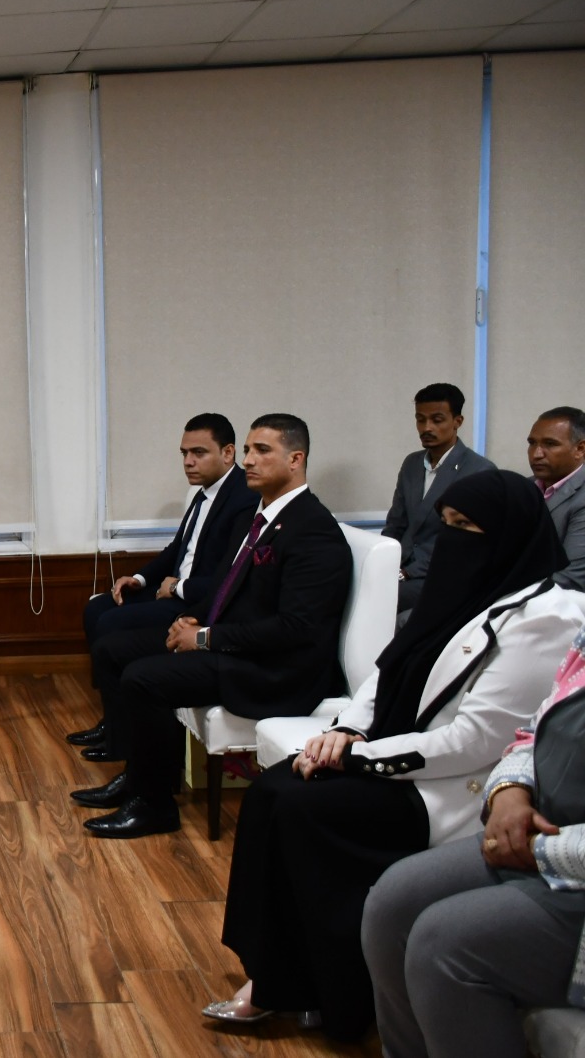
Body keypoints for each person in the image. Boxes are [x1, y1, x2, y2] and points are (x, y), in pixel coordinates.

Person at [206, 470, 585, 1042]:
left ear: (508, 535)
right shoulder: (460, 587)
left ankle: (330, 991)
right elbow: (390, 669)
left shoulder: (545, 618)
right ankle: (277, 974)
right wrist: (348, 731)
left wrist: (361, 759)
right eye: (446, 524)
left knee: (308, 812)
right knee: (272, 792)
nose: (452, 539)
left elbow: (477, 739)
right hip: (398, 751)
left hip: (451, 784)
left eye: (466, 527)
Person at [74, 414, 353, 838]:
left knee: (144, 678)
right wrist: (193, 617)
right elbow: (226, 584)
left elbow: (296, 629)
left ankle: (154, 805)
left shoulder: (313, 529)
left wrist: (204, 638)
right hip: (240, 646)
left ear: (296, 459)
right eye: (248, 450)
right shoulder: (259, 517)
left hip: (278, 670)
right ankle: (140, 777)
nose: (249, 460)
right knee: (114, 649)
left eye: (262, 451)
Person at [362, 619, 585, 1058]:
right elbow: (535, 729)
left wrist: (537, 850)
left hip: (564, 859)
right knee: (393, 901)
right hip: (542, 831)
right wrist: (509, 791)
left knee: (444, 944)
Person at [69, 413, 258, 760]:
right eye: (184, 453)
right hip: (174, 589)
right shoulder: (202, 494)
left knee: (111, 625)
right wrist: (139, 578)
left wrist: (178, 587)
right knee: (96, 608)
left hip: (196, 602)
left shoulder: (244, 499)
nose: (188, 462)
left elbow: (229, 577)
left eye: (199, 452)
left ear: (228, 453)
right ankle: (114, 721)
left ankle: (123, 737)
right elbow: (177, 549)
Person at [382, 382, 495, 617]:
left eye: (437, 420)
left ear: (457, 421)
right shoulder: (412, 463)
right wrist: (382, 562)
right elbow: (396, 523)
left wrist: (406, 573)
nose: (427, 427)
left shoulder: (479, 470)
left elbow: (464, 542)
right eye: (420, 419)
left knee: (378, 598)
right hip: (400, 567)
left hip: (443, 574)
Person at [528, 406, 585, 590]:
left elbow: (571, 578)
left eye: (550, 444)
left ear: (580, 449)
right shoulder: (523, 488)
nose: (536, 454)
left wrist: (505, 597)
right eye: (532, 443)